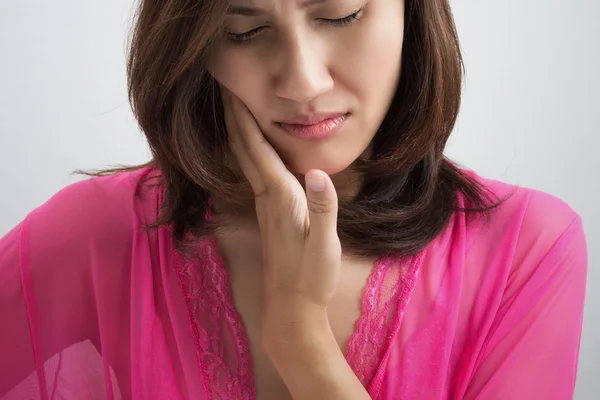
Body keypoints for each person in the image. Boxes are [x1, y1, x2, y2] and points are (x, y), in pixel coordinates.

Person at [0, 0, 588, 398]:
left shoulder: (527, 251)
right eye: (244, 30)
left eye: (339, 13)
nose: (303, 82)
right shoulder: (97, 234)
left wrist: (300, 337)